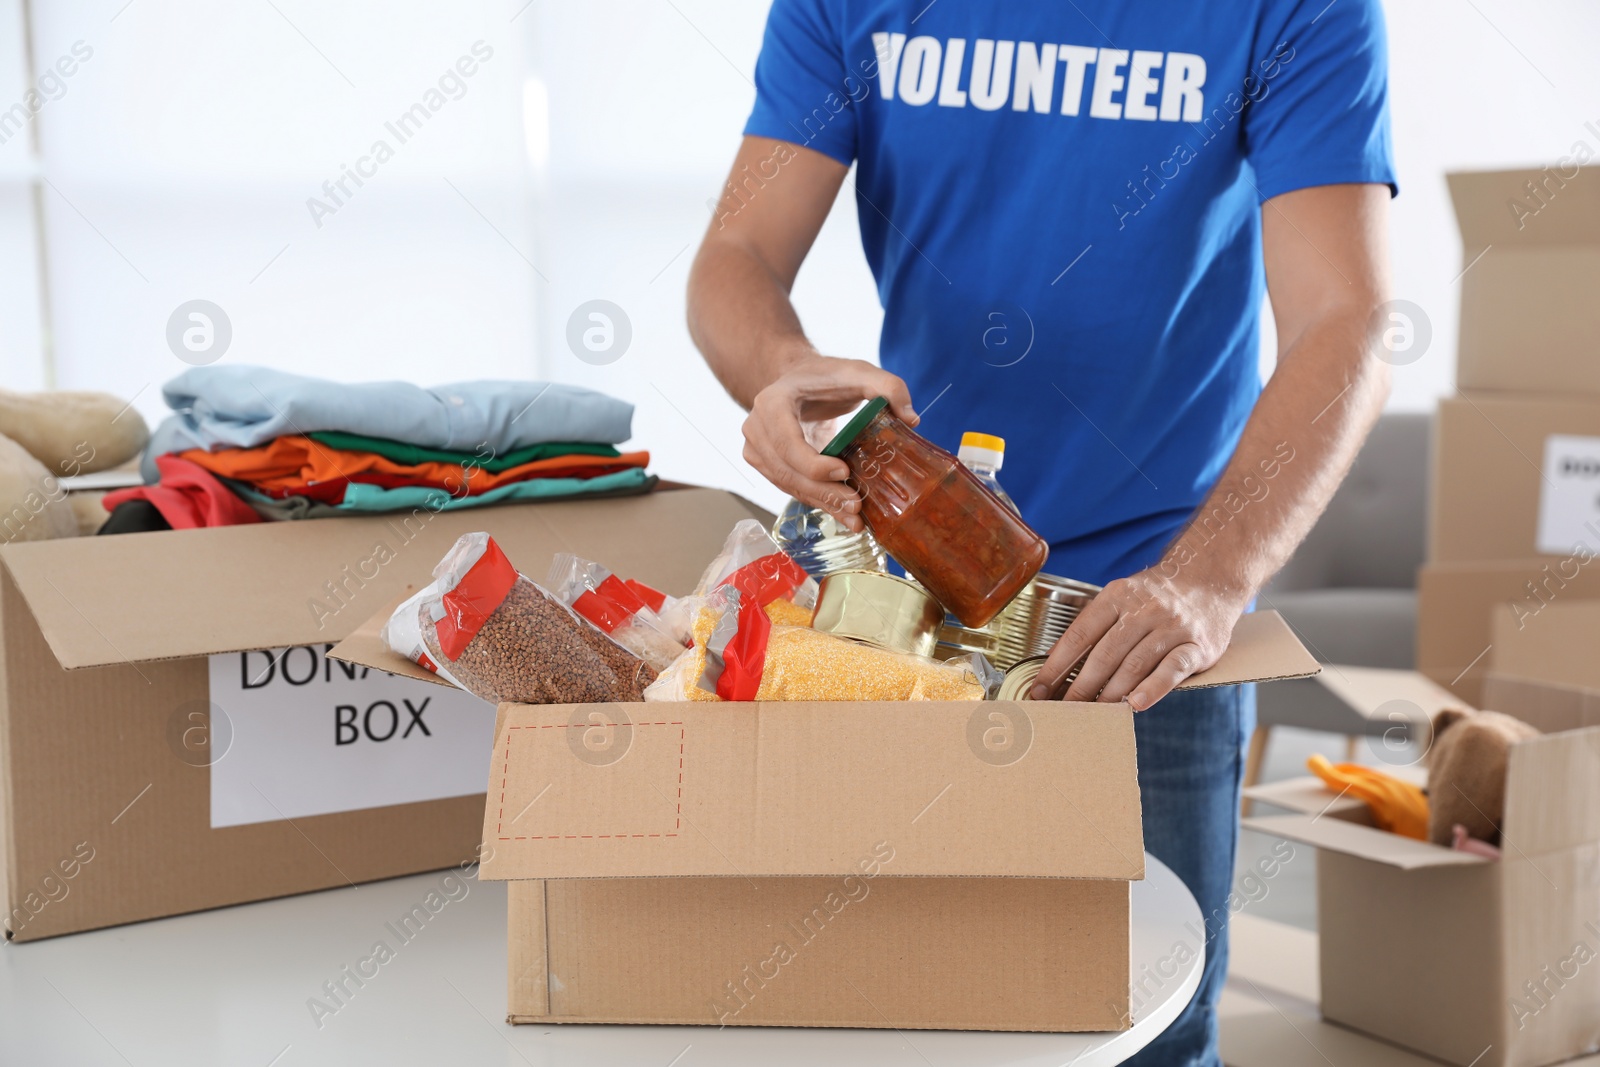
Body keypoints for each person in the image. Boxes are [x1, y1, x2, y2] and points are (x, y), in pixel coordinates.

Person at [687, 2, 1394, 1062]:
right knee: (882, 1012)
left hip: (1145, 617)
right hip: (898, 603)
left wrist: (1204, 581)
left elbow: (1346, 323)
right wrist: (784, 374)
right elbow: (735, 253)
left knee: (1150, 1021)